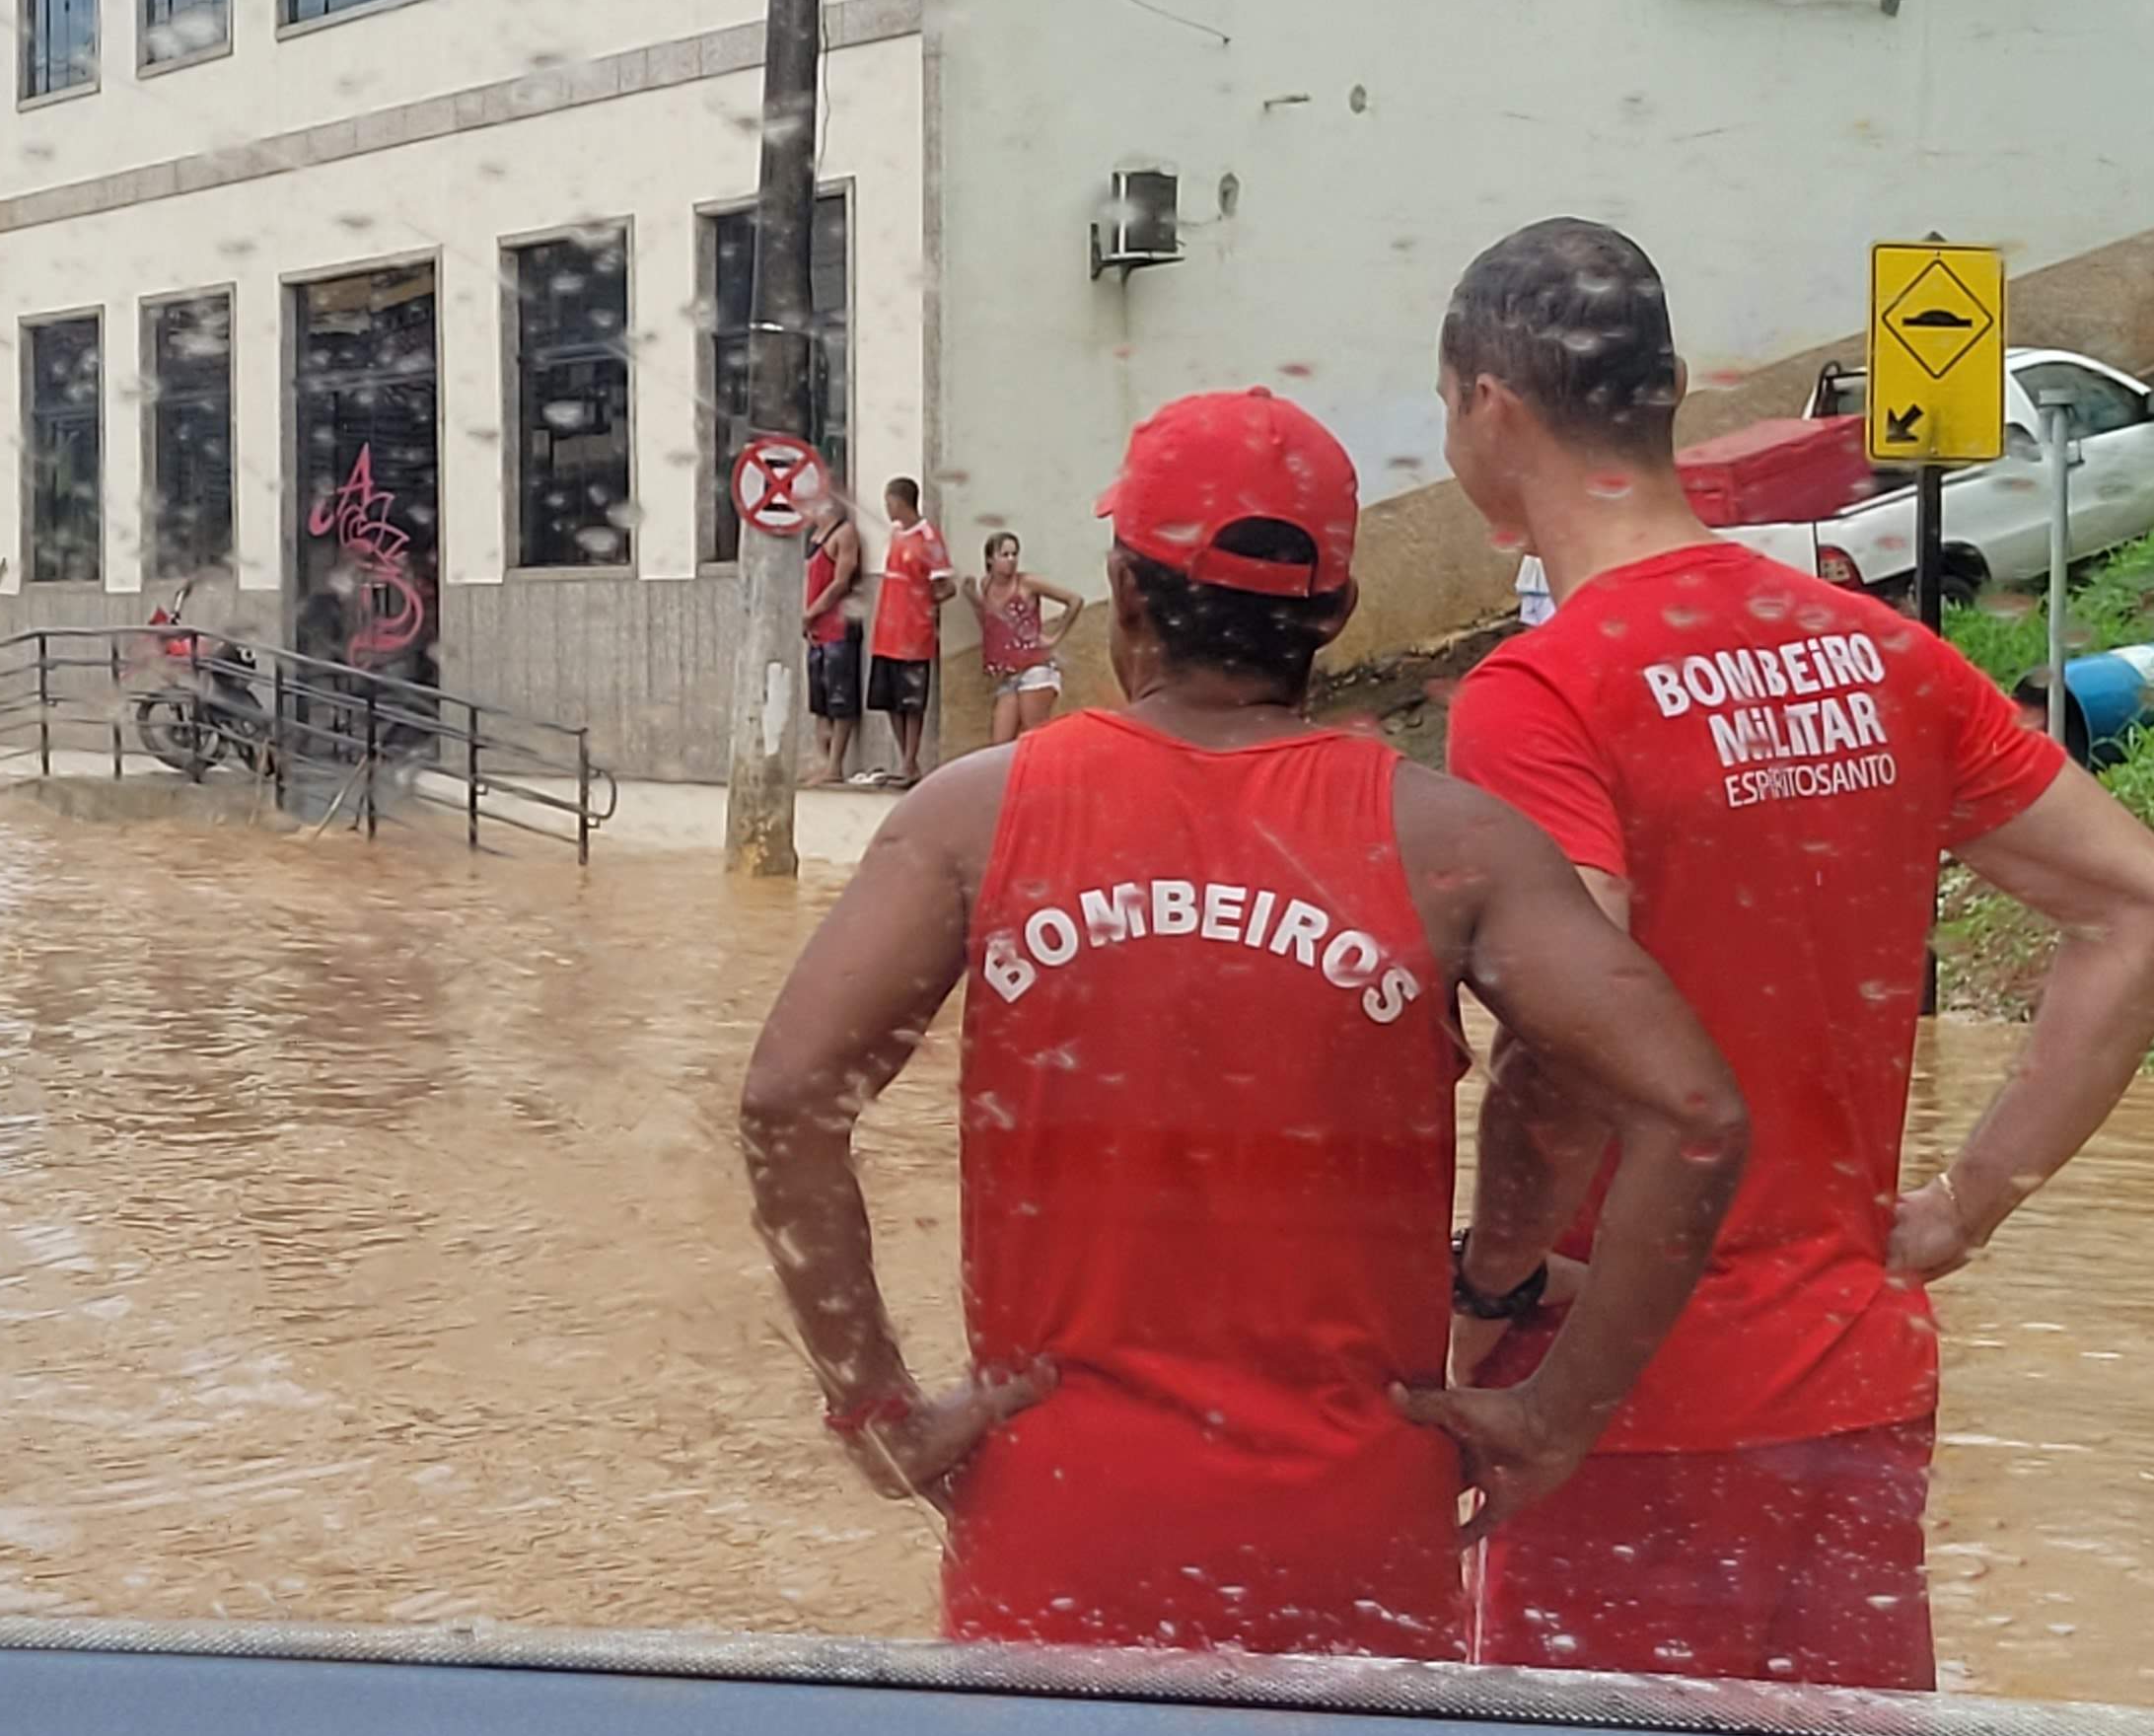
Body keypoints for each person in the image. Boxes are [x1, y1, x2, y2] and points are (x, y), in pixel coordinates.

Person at [740, 389, 1751, 1661]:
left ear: (1123, 590)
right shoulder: (1452, 843)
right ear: (1333, 613)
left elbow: (788, 1103)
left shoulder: (972, 818)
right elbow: (1694, 1115)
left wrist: (875, 1408)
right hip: (1359, 1545)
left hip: (1057, 1527)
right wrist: (1559, 1411)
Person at [1436, 218, 2154, 1692]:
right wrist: (1969, 1203)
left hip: (1624, 1396)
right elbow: (2147, 911)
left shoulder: (1541, 695)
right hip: (1856, 1384)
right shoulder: (1881, 652)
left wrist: (1489, 1285)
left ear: (1491, 408)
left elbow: (1574, 1048)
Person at [862, 477, 956, 785]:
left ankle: (910, 760)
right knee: (888, 700)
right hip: (887, 630)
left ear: (901, 502)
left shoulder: (928, 538)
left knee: (911, 702)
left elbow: (946, 586)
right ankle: (906, 760)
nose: (887, 508)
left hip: (914, 633)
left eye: (889, 502)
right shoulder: (896, 533)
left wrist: (920, 603)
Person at [971, 531, 1088, 744]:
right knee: (1000, 742)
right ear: (990, 559)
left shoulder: (1027, 583)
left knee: (1034, 735)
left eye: (1014, 554)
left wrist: (1055, 636)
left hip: (1035, 669)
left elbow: (1074, 600)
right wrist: (971, 598)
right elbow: (990, 621)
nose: (1011, 560)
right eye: (1004, 555)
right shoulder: (985, 586)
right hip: (1007, 673)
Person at [804, 496, 869, 785]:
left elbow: (840, 583)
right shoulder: (816, 537)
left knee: (840, 698)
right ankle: (822, 761)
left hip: (838, 625)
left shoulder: (844, 535)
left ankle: (835, 765)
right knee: (819, 701)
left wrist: (813, 611)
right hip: (817, 629)